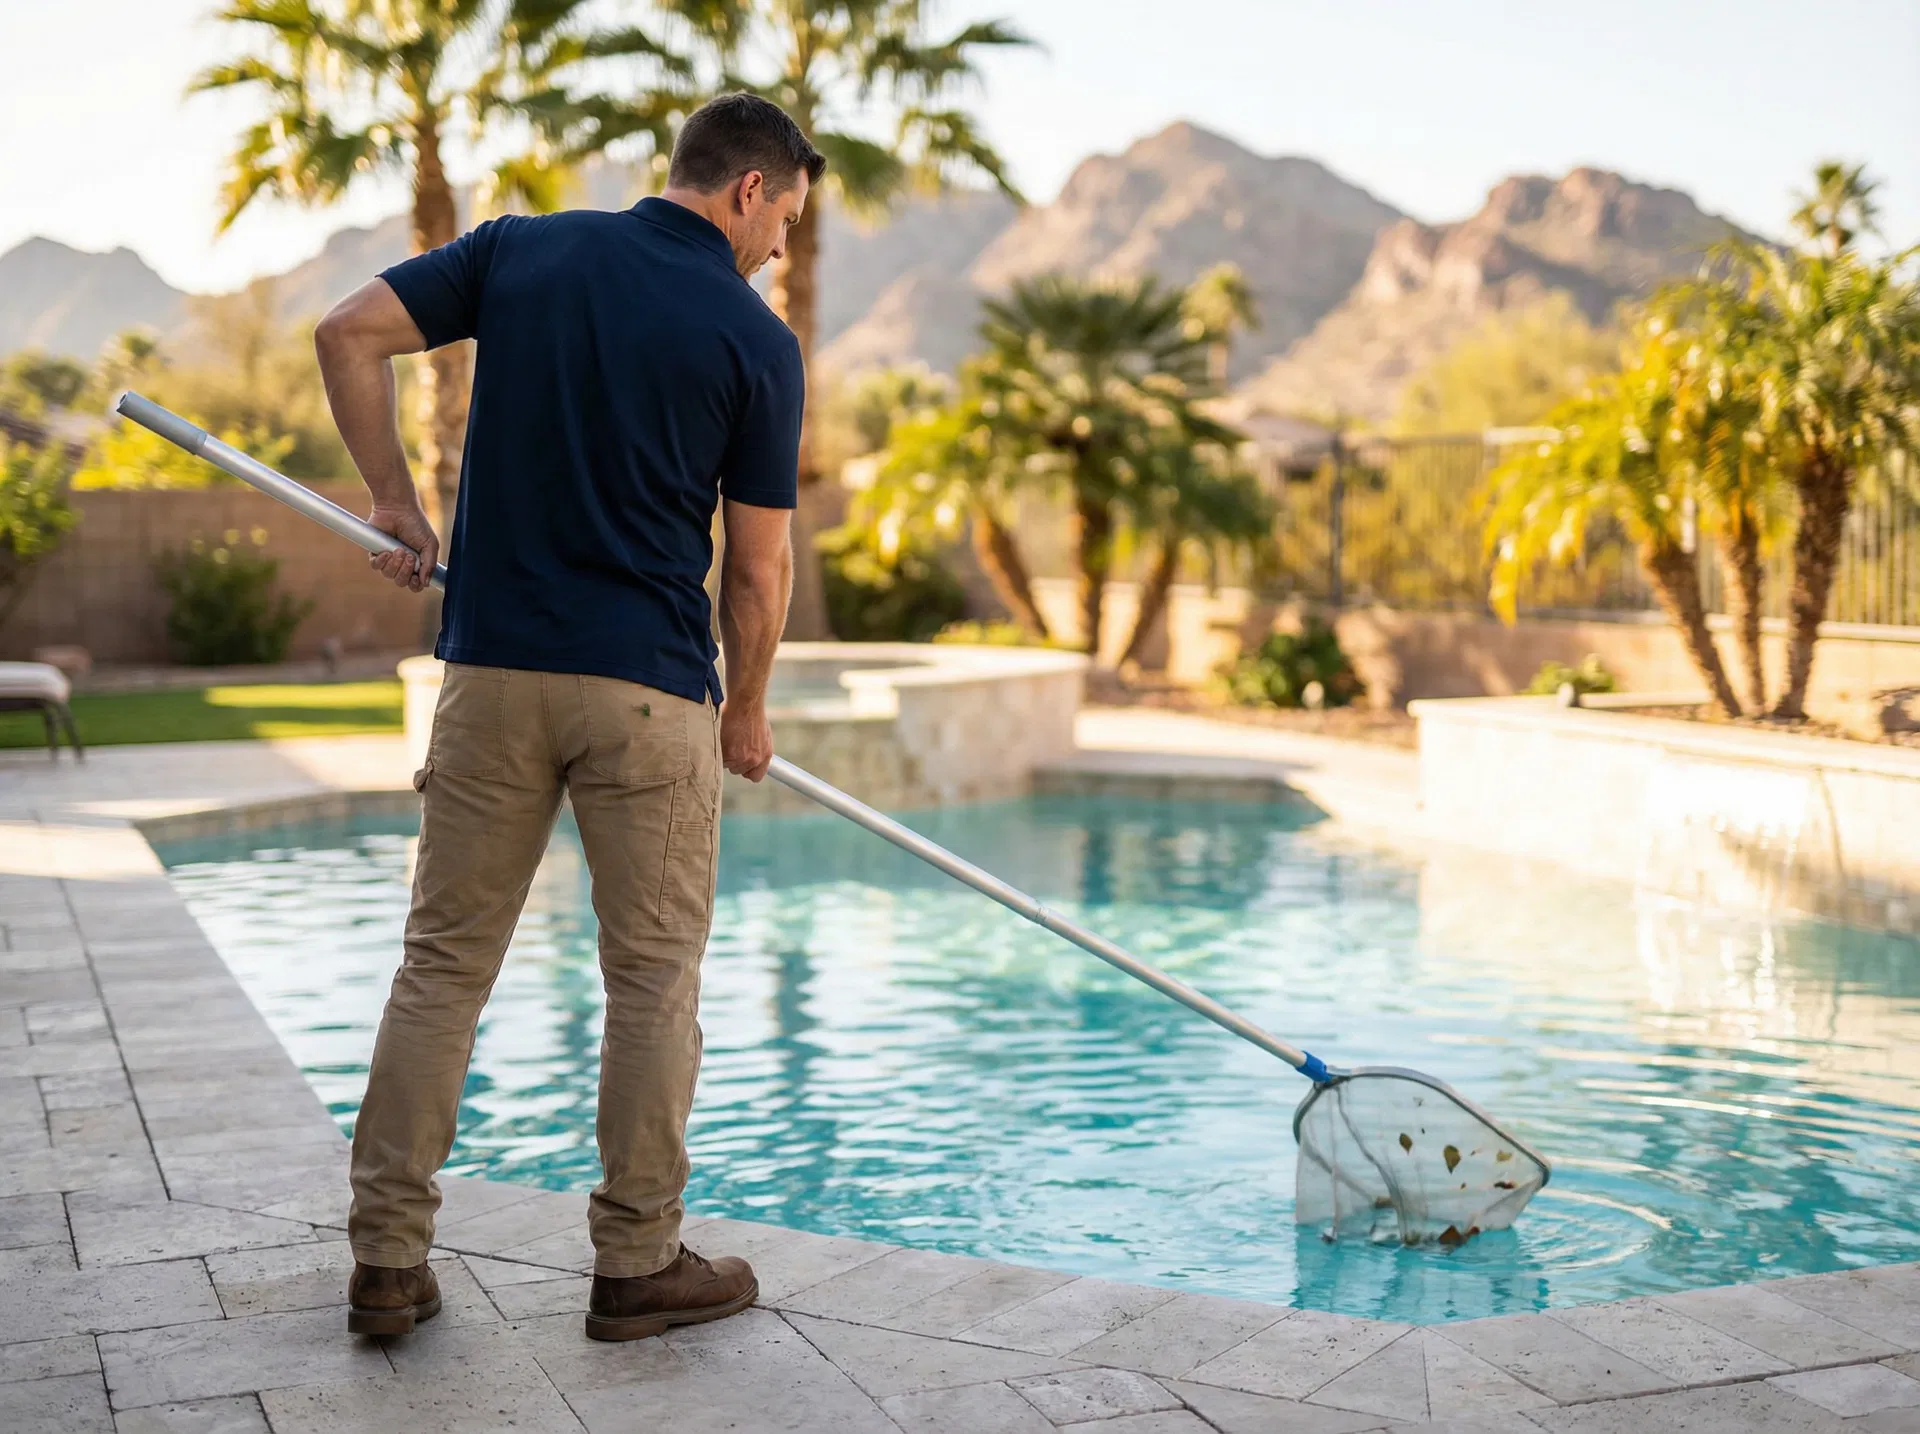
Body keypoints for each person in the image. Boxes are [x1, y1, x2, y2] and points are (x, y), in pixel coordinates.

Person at [312, 93, 824, 1342]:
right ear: (749, 190)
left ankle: (387, 1261)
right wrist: (746, 707)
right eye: (786, 224)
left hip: (490, 672)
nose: (780, 256)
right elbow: (756, 572)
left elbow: (347, 332)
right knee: (652, 980)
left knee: (442, 968)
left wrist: (393, 498)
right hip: (648, 692)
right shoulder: (754, 340)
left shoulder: (520, 250)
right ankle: (638, 1264)